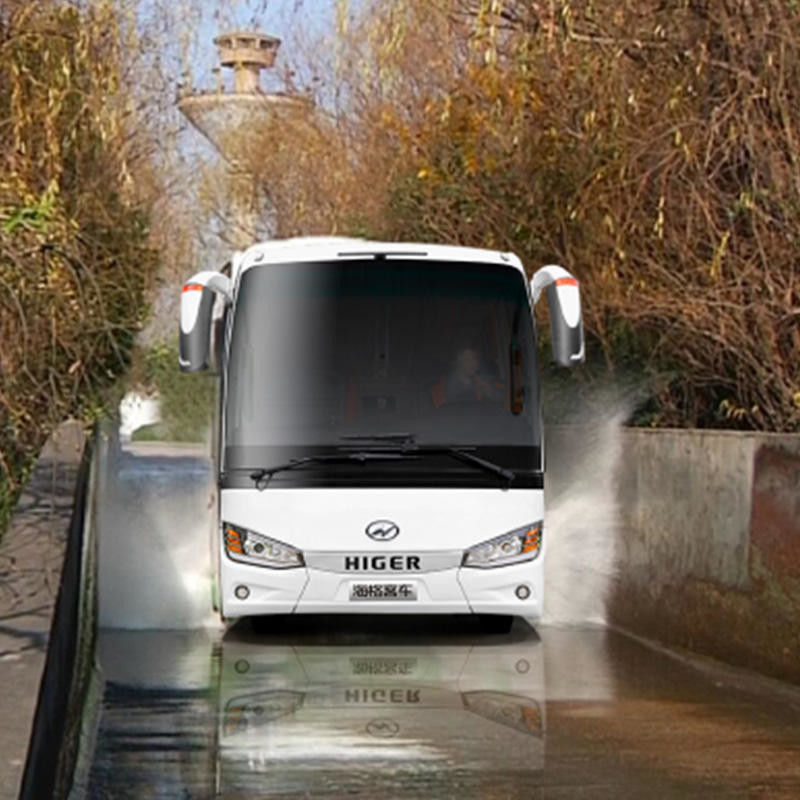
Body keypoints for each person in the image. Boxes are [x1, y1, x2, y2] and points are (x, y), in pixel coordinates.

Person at [431, 347, 504, 408]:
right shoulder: (443, 386)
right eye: (468, 359)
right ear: (459, 361)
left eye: (475, 358)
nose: (473, 363)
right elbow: (442, 413)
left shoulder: (484, 380)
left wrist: (489, 390)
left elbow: (502, 400)